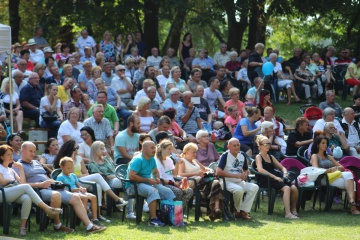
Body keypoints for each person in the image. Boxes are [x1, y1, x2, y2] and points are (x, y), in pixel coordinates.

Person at [18, 141, 104, 234]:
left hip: (51, 187)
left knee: (75, 197)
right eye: (30, 151)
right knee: (56, 195)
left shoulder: (36, 162)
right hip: (38, 190)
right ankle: (57, 225)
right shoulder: (19, 165)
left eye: (34, 151)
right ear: (23, 150)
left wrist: (55, 182)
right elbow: (22, 185)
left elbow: (45, 177)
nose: (33, 154)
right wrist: (40, 185)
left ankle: (89, 226)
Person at [53, 140, 127, 221]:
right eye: (75, 148)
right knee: (97, 176)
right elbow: (68, 174)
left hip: (80, 180)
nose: (77, 150)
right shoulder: (65, 161)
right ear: (70, 149)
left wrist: (78, 176)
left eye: (78, 148)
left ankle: (98, 214)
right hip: (71, 182)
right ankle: (117, 199)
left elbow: (86, 174)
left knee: (98, 185)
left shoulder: (79, 159)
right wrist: (72, 162)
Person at [0, 145, 62, 236]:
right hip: (2, 194)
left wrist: (21, 168)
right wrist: (13, 181)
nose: (11, 157)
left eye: (11, 154)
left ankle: (22, 227)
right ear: (1, 157)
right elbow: (2, 181)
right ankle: (47, 209)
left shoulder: (11, 170)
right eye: (8, 155)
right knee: (26, 187)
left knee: (27, 198)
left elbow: (21, 182)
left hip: (12, 192)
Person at [126, 140, 176, 227]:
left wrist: (156, 178)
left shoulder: (152, 159)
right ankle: (153, 220)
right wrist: (148, 180)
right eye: (152, 148)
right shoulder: (138, 160)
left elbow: (156, 172)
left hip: (146, 183)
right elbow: (131, 176)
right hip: (133, 185)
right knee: (153, 191)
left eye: (155, 147)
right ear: (144, 149)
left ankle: (170, 217)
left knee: (167, 191)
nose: (155, 150)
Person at [310, 136, 360, 214]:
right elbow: (315, 169)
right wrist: (327, 170)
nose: (325, 145)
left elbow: (341, 167)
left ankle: (352, 203)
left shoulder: (329, 157)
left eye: (326, 143)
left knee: (349, 176)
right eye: (323, 143)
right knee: (351, 181)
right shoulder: (314, 156)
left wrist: (334, 168)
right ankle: (353, 207)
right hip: (323, 178)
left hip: (334, 176)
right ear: (317, 145)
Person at [88, 141, 136, 219]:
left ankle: (130, 210)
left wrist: (118, 175)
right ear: (95, 150)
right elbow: (103, 177)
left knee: (127, 183)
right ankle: (130, 210)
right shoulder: (93, 164)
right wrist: (116, 176)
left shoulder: (106, 159)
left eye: (104, 148)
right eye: (101, 149)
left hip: (117, 178)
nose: (104, 150)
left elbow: (114, 168)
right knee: (126, 182)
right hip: (108, 182)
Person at [255, 135, 299, 219]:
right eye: (265, 144)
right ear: (260, 146)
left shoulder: (271, 157)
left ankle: (293, 209)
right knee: (286, 188)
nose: (268, 145)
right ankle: (288, 213)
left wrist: (285, 173)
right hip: (266, 179)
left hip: (276, 178)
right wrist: (274, 177)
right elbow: (260, 170)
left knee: (294, 187)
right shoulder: (258, 157)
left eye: (269, 143)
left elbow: (282, 167)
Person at [178, 143, 224, 221]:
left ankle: (216, 208)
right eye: (193, 152)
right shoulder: (182, 161)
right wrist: (195, 173)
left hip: (201, 182)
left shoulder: (195, 161)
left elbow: (204, 169)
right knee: (212, 181)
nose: (195, 154)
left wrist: (211, 170)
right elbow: (180, 174)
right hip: (191, 182)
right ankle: (214, 209)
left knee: (215, 182)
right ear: (186, 151)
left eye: (196, 152)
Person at [216, 138, 259, 220]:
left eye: (238, 145)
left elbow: (246, 169)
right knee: (239, 190)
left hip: (239, 181)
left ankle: (243, 211)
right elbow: (218, 172)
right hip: (226, 181)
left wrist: (245, 174)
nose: (237, 147)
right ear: (229, 147)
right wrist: (235, 176)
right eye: (234, 146)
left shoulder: (242, 155)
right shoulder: (225, 156)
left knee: (254, 187)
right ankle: (237, 211)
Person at [56, 157, 104, 227]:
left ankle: (95, 219)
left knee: (93, 197)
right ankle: (85, 221)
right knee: (84, 198)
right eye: (68, 168)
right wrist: (76, 190)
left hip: (77, 192)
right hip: (71, 194)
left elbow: (78, 185)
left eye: (71, 168)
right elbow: (63, 190)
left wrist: (82, 188)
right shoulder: (60, 177)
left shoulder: (73, 175)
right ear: (62, 167)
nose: (70, 170)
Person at [155, 140, 194, 209]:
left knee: (189, 191)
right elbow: (160, 179)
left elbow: (175, 174)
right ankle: (174, 211)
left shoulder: (169, 160)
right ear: (162, 149)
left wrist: (177, 163)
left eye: (171, 149)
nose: (171, 151)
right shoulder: (157, 161)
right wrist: (174, 183)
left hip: (172, 183)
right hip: (164, 185)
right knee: (178, 192)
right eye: (169, 149)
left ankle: (177, 211)